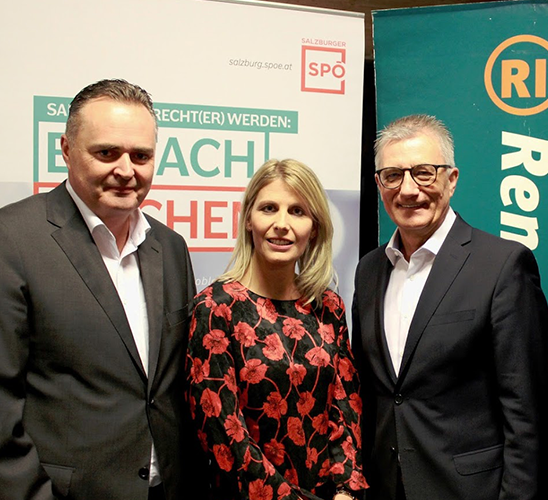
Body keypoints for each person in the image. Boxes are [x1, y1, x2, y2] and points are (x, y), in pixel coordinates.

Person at [0, 79, 205, 499]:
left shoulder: (170, 247)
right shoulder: (12, 239)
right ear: (67, 150)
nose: (126, 170)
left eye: (141, 155)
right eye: (107, 153)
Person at [351, 114, 548, 500]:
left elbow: (526, 412)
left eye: (423, 173)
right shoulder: (369, 270)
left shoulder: (502, 265)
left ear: (452, 179)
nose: (409, 189)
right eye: (393, 176)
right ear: (378, 184)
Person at [187, 159, 368, 500]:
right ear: (248, 220)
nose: (281, 224)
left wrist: (346, 490)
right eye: (269, 208)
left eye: (297, 211)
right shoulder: (214, 308)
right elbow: (223, 435)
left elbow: (346, 406)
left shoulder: (328, 306)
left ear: (314, 228)